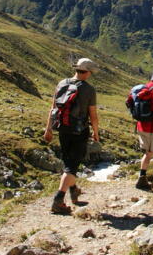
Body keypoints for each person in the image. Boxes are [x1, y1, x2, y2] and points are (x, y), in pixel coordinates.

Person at [44, 58, 99, 214]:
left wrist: (48, 129)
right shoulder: (88, 90)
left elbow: (53, 108)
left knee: (69, 160)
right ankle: (58, 199)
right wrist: (96, 133)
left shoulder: (62, 83)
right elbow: (93, 115)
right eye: (90, 72)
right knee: (72, 166)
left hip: (62, 128)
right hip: (79, 131)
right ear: (87, 72)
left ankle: (73, 189)